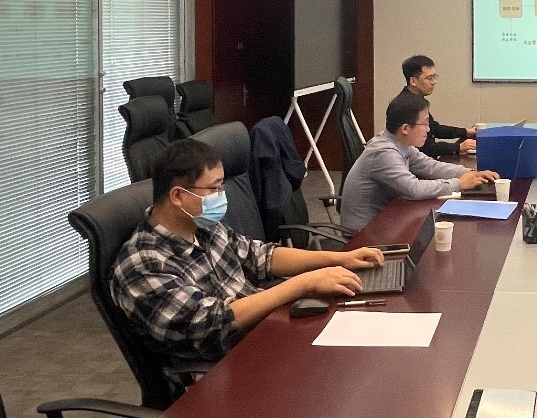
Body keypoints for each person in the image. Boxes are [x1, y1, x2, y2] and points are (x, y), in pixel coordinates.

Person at [111, 139, 384, 371]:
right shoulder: (143, 263)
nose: (221, 195)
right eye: (214, 188)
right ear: (178, 196)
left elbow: (260, 256)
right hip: (226, 369)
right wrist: (304, 283)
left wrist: (340, 258)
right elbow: (213, 322)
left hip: (265, 331)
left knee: (361, 344)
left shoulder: (202, 227)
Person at [340, 91, 498, 233]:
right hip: (365, 234)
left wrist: (471, 173)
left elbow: (431, 166)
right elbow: (413, 188)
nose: (428, 129)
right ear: (405, 128)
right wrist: (459, 183)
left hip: (388, 219)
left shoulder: (401, 143)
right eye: (425, 124)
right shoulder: (384, 153)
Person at [400, 54, 477, 156]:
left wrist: (465, 132)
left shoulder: (416, 100)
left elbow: (434, 128)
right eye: (429, 78)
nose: (434, 82)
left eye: (435, 77)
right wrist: (458, 147)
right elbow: (425, 148)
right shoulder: (407, 106)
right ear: (413, 81)